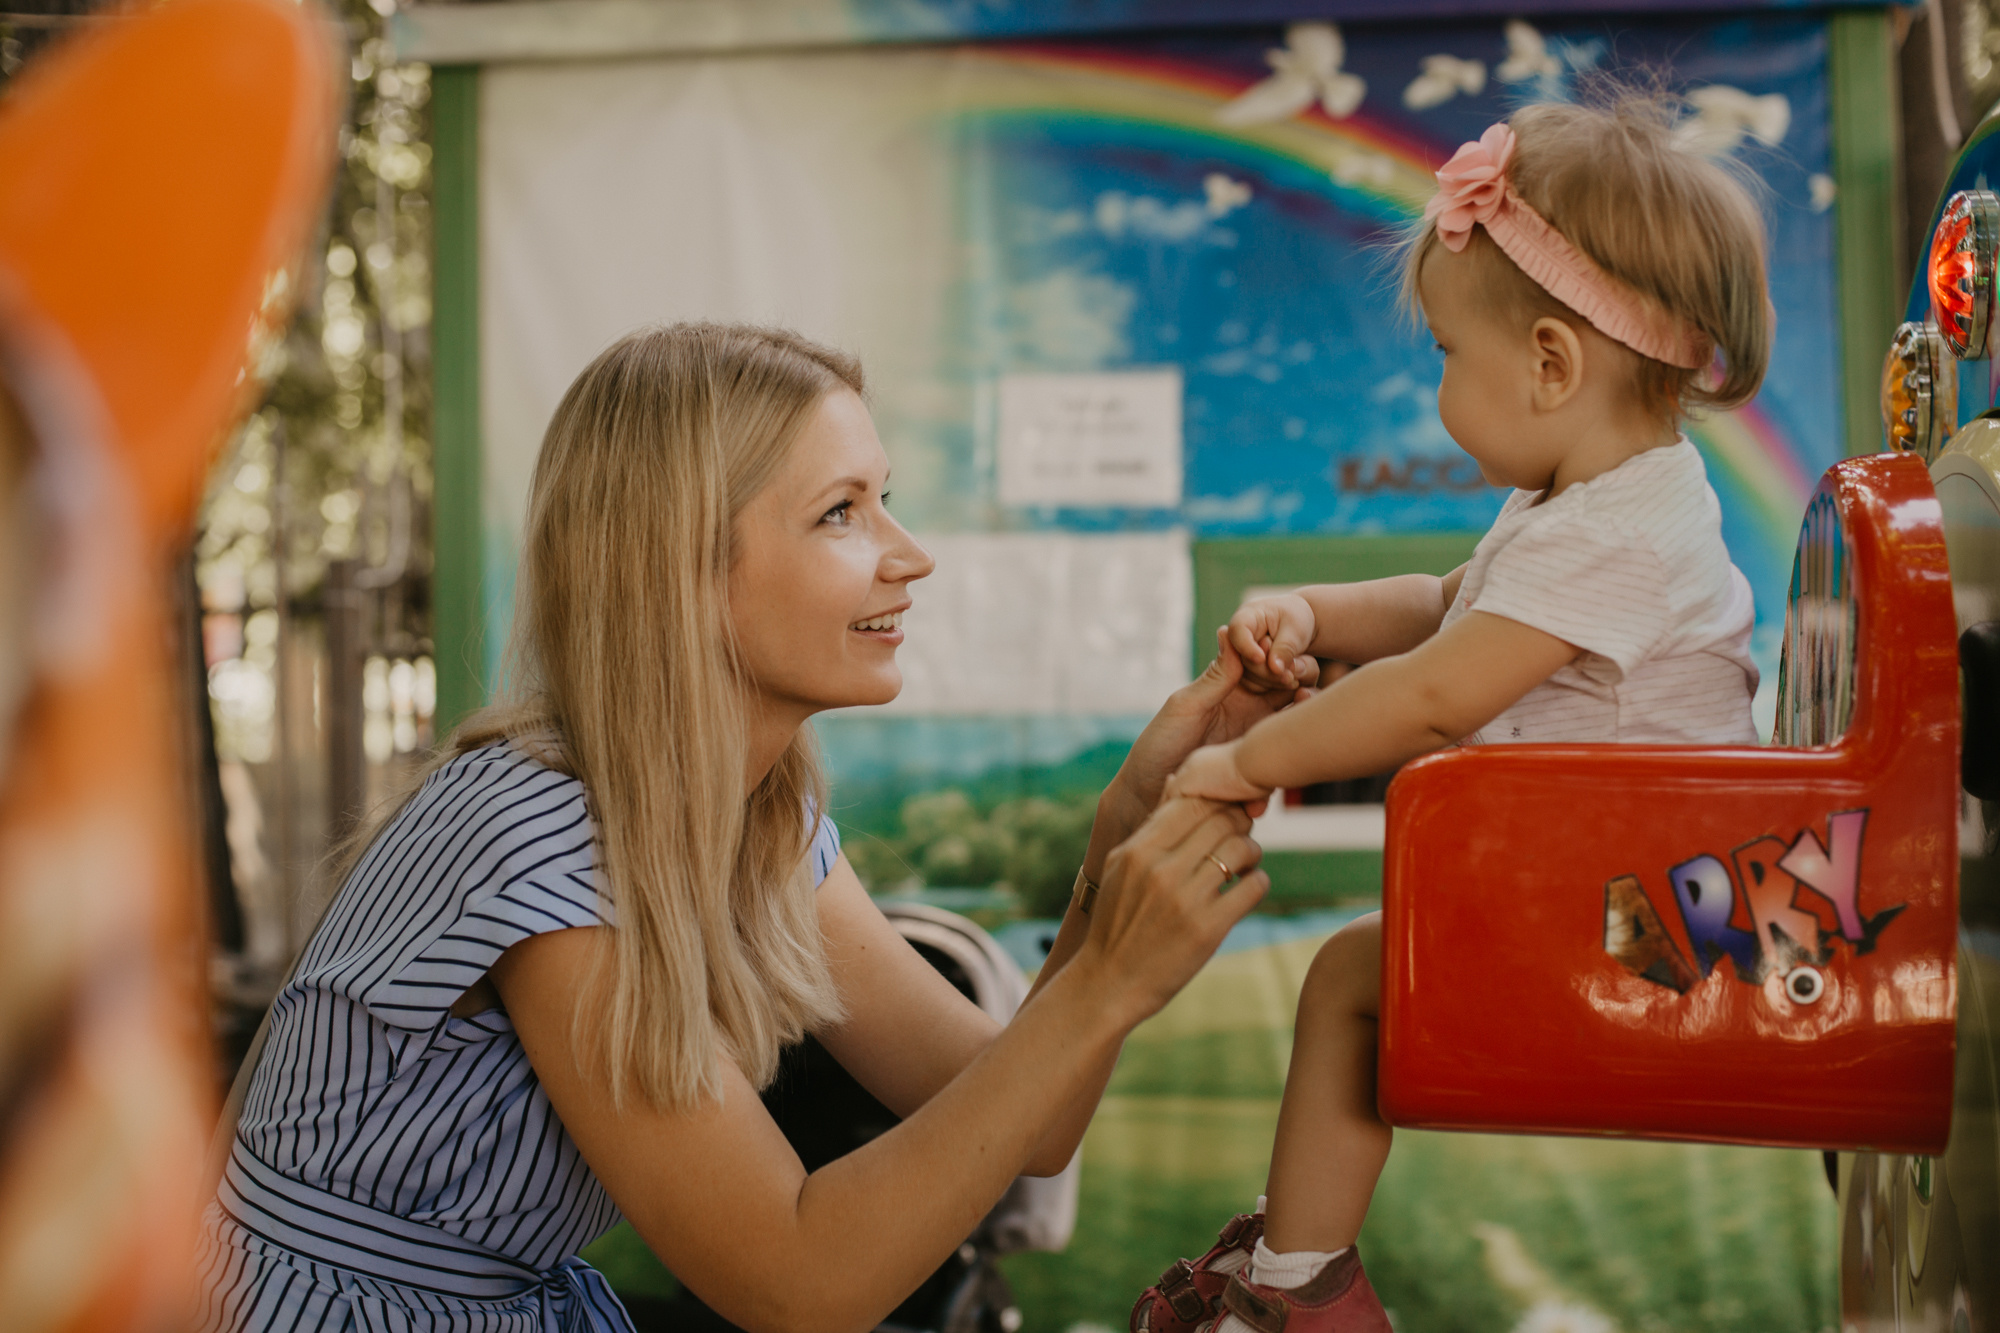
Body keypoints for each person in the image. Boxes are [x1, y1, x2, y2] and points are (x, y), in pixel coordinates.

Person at [196, 323, 1292, 1331]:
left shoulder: (758, 816)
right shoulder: (539, 830)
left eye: (884, 499)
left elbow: (1026, 1126)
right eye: (841, 511)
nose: (908, 555)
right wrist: (1103, 978)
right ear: (681, 568)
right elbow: (798, 1280)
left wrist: (1125, 823)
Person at [1136, 97, 1770, 1333]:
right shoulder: (1596, 505)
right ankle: (1293, 1272)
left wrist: (1238, 765)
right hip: (1635, 903)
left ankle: (1296, 1287)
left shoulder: (1616, 536)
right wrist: (1313, 610)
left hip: (1653, 934)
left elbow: (1437, 692)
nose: (1436, 382)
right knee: (1356, 980)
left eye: (1442, 354)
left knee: (1348, 978)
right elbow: (1442, 607)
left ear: (1548, 362)